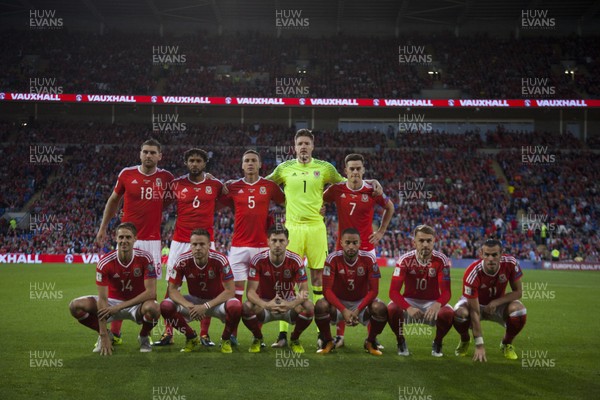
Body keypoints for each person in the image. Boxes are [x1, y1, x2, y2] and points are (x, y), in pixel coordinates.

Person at [266, 129, 382, 347]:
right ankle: (283, 334)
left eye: (306, 143)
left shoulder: (325, 168)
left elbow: (349, 182)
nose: (303, 147)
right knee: (287, 278)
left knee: (318, 278)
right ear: (294, 146)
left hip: (316, 229)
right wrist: (284, 202)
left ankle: (323, 333)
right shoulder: (284, 168)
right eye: (299, 143)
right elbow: (266, 185)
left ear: (312, 146)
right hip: (292, 229)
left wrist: (374, 180)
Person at [95, 139, 173, 345]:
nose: (148, 155)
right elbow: (113, 200)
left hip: (152, 241)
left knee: (151, 291)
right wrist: (103, 228)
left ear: (159, 156)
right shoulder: (126, 174)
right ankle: (115, 333)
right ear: (140, 154)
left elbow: (180, 193)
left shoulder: (166, 178)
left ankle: (146, 333)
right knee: (118, 283)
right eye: (145, 152)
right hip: (127, 239)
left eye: (152, 152)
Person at [323, 153, 394, 348]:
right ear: (345, 171)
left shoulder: (372, 190)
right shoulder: (337, 189)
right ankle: (340, 336)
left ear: (363, 170)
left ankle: (371, 339)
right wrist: (320, 209)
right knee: (339, 290)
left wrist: (381, 231)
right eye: (351, 168)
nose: (355, 171)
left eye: (358, 168)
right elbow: (320, 199)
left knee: (369, 292)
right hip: (341, 249)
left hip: (367, 249)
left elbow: (390, 207)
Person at [154, 148, 224, 347]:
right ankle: (168, 332)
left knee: (208, 288)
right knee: (171, 287)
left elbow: (228, 199)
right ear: (186, 163)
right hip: (180, 241)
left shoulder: (215, 184)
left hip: (206, 242)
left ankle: (204, 335)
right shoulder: (176, 184)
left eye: (198, 160)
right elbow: (161, 204)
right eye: (191, 160)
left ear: (205, 163)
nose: (195, 164)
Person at [220, 150, 285, 343]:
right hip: (239, 246)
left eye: (253, 161)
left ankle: (258, 334)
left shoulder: (269, 186)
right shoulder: (233, 186)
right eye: (246, 160)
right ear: (242, 165)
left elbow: (286, 202)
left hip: (262, 247)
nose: (250, 163)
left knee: (260, 294)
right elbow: (220, 201)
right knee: (235, 294)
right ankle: (233, 334)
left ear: (259, 165)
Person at [69, 222, 160, 355]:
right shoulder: (105, 262)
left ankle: (144, 336)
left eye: (128, 237)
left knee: (155, 308)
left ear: (135, 239)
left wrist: (120, 307)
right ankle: (109, 335)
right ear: (116, 238)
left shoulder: (145, 258)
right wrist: (103, 334)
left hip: (137, 305)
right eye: (121, 237)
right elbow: (102, 298)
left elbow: (151, 293)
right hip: (110, 303)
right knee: (75, 306)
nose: (124, 241)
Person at [159, 229, 241, 353]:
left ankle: (225, 339)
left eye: (202, 244)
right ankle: (191, 337)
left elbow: (230, 291)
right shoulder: (182, 260)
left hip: (216, 302)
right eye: (194, 244)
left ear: (209, 245)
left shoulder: (220, 259)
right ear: (190, 245)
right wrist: (189, 306)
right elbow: (172, 290)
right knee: (165, 306)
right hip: (194, 301)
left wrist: (205, 306)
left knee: (236, 306)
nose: (198, 248)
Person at [314, 228, 387, 356]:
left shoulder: (369, 259)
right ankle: (328, 341)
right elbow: (327, 290)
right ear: (341, 242)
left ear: (360, 243)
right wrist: (343, 310)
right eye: (347, 243)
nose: (351, 246)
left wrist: (358, 310)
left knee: (380, 308)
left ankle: (370, 342)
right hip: (338, 305)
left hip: (361, 304)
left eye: (354, 243)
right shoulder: (332, 259)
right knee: (320, 305)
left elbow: (374, 291)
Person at [241, 226, 313, 354]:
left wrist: (290, 304)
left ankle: (295, 339)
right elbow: (250, 292)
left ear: (288, 242)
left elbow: (304, 291)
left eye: (281, 240)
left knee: (309, 307)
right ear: (268, 241)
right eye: (274, 240)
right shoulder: (258, 260)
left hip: (288, 304)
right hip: (264, 305)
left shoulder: (295, 260)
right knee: (246, 307)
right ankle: (258, 338)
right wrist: (265, 304)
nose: (277, 244)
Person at [453, 238, 527, 362]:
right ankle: (465, 339)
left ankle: (506, 343)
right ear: (481, 254)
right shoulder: (472, 273)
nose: (491, 259)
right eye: (487, 255)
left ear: (501, 254)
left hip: (497, 305)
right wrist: (479, 345)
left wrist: (495, 302)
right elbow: (474, 311)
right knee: (459, 313)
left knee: (519, 311)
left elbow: (518, 292)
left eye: (494, 255)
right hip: (475, 304)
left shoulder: (511, 263)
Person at [387, 224, 454, 357]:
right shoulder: (404, 260)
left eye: (429, 240)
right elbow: (393, 292)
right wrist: (408, 308)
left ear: (434, 241)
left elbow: (446, 292)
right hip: (410, 301)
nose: (425, 244)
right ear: (414, 242)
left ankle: (438, 342)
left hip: (432, 302)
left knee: (448, 313)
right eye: (421, 240)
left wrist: (437, 304)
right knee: (391, 309)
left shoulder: (441, 260)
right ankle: (400, 341)